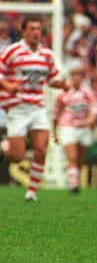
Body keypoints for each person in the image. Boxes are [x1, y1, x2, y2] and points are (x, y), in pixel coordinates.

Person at [0, 16, 69, 202]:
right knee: (17, 156)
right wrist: (8, 86)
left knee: (41, 149)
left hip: (37, 107)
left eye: (38, 29)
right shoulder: (12, 51)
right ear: (23, 31)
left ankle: (31, 193)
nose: (35, 32)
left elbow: (51, 79)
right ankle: (4, 146)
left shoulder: (46, 54)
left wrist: (62, 85)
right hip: (17, 107)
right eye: (31, 29)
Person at [53, 64, 97, 194]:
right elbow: (56, 114)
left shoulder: (88, 93)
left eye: (79, 75)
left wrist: (87, 122)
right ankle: (73, 185)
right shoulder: (63, 93)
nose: (76, 78)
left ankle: (75, 179)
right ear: (71, 77)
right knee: (72, 156)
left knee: (80, 159)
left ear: (83, 77)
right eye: (74, 75)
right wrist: (55, 132)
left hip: (83, 128)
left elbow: (94, 111)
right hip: (68, 127)